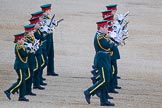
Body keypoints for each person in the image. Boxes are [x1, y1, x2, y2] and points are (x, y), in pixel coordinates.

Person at [84, 20, 115, 106]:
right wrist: (114, 41)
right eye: (105, 27)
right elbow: (109, 46)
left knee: (107, 79)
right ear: (101, 28)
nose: (107, 28)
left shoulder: (103, 36)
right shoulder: (100, 37)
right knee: (104, 80)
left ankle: (104, 100)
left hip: (105, 58)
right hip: (101, 59)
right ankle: (88, 92)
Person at [4, 33, 29, 101]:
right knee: (21, 80)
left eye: (22, 39)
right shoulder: (19, 47)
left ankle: (21, 96)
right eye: (20, 39)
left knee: (22, 80)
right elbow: (25, 54)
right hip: (20, 66)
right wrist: (30, 50)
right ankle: (9, 91)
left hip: (22, 65)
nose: (22, 41)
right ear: (17, 41)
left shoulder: (21, 46)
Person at [40, 3, 58, 76]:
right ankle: (39, 74)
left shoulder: (48, 17)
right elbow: (43, 28)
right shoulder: (42, 18)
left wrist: (54, 23)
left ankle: (50, 70)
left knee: (51, 53)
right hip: (45, 36)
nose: (49, 11)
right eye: (48, 10)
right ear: (46, 10)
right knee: (45, 53)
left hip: (50, 36)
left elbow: (53, 23)